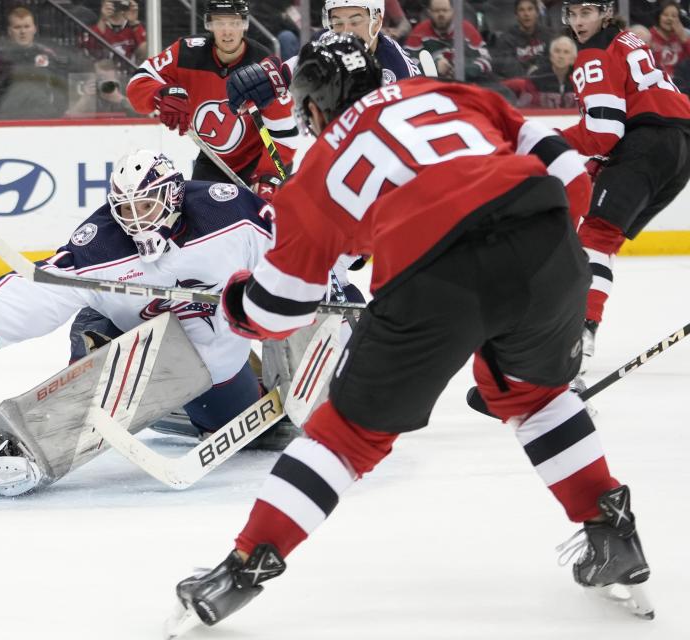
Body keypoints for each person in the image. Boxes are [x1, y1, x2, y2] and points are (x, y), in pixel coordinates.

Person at [168, 33, 654, 632]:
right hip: (545, 236)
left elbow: (281, 312)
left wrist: (237, 299)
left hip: (434, 277)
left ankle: (244, 567)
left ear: (316, 107)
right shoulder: (449, 90)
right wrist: (544, 243)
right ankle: (612, 533)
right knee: (535, 395)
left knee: (343, 438)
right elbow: (568, 171)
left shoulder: (314, 173)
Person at [0, 150, 356, 494]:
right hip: (120, 336)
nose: (134, 221)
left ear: (172, 197)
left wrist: (335, 284)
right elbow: (42, 287)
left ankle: (199, 404)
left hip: (216, 360)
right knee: (111, 354)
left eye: (144, 207)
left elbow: (295, 241)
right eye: (124, 209)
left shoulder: (226, 211)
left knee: (247, 422)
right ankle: (24, 443)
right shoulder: (101, 243)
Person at [561, 0, 690, 371]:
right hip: (679, 151)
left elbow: (604, 131)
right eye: (573, 13)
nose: (579, 21)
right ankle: (580, 337)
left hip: (646, 143)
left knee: (596, 237)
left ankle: (576, 344)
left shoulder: (594, 53)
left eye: (586, 13)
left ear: (604, 13)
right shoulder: (630, 41)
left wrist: (550, 143)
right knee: (607, 237)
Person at [126, 0, 305, 193]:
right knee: (198, 217)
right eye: (220, 23)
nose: (227, 31)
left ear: (245, 24)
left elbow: (284, 135)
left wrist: (268, 177)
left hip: (258, 160)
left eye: (234, 23)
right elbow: (139, 81)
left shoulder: (263, 67)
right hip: (213, 160)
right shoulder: (186, 53)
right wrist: (160, 94)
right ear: (209, 24)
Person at [225, 0, 419, 124]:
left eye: (355, 22)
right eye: (337, 23)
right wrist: (272, 78)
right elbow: (300, 66)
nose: (345, 32)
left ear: (376, 23)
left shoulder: (396, 71)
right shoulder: (329, 39)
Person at [0, 6, 86, 120]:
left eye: (27, 26)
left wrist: (56, 112)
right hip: (10, 118)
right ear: (9, 31)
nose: (23, 31)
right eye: (17, 27)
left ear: (34, 29)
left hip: (42, 117)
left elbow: (60, 86)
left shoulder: (47, 54)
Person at [405, 0, 493, 82]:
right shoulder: (419, 32)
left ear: (452, 11)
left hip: (464, 85)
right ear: (429, 13)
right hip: (431, 87)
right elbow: (407, 63)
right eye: (436, 11)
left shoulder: (467, 29)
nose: (441, 14)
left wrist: (464, 70)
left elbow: (486, 60)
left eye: (445, 10)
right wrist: (434, 67)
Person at [503, 35, 578, 108]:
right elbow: (526, 107)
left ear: (573, 59)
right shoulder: (536, 77)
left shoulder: (580, 79)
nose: (561, 56)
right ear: (551, 56)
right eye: (557, 51)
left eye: (566, 52)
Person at [492, 0, 554, 79]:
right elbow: (506, 66)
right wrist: (530, 69)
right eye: (521, 10)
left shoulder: (548, 35)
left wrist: (537, 67)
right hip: (519, 84)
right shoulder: (506, 39)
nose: (526, 14)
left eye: (530, 9)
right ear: (516, 15)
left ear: (537, 13)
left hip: (546, 82)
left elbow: (554, 59)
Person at [80, 0, 148, 63]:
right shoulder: (92, 23)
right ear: (103, 2)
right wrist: (103, 19)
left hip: (132, 72)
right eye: (112, 2)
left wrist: (134, 22)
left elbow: (147, 53)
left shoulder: (139, 27)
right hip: (103, 73)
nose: (116, 4)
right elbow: (91, 51)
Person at [650, 0, 690, 77]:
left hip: (681, 82)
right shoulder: (650, 36)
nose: (670, 18)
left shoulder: (684, 36)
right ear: (659, 16)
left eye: (674, 16)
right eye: (665, 15)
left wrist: (684, 39)